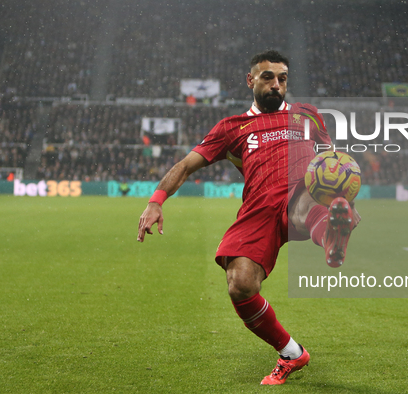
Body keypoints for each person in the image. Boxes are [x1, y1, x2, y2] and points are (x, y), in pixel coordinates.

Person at [137, 50, 359, 385]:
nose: (276, 85)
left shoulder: (307, 116)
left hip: (301, 194)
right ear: (250, 80)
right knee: (240, 285)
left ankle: (331, 233)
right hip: (258, 210)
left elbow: (330, 163)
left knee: (303, 202)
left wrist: (341, 186)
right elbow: (185, 166)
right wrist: (156, 201)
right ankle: (291, 353)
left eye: (282, 78)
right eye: (268, 77)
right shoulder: (232, 128)